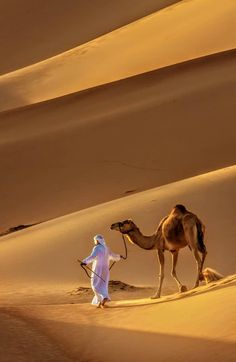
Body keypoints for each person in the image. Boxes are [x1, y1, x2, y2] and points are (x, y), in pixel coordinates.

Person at [81, 234, 121, 308]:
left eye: (95, 240)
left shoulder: (97, 248)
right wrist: (118, 256)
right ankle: (101, 303)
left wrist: (84, 262)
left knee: (94, 285)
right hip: (105, 270)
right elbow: (113, 256)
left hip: (98, 269)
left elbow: (93, 256)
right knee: (103, 285)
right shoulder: (107, 248)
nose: (94, 242)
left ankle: (104, 296)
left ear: (97, 240)